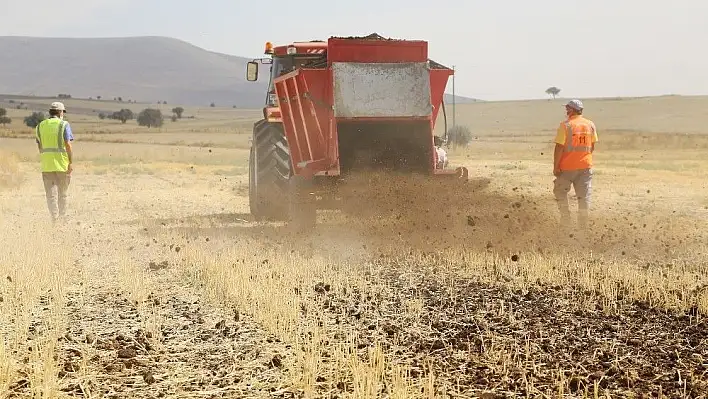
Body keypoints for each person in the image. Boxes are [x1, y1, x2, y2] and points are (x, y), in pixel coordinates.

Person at [553, 99, 598, 229]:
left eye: (567, 108)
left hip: (567, 168)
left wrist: (556, 167)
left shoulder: (566, 125)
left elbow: (559, 148)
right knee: (584, 197)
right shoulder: (590, 124)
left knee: (560, 191)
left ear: (572, 110)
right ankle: (583, 226)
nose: (566, 110)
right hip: (585, 166)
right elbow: (592, 146)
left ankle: (566, 219)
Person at [35, 102, 74, 223]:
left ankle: (54, 219)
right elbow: (68, 144)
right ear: (61, 112)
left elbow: (40, 146)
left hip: (47, 165)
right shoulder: (64, 125)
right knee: (62, 193)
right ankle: (62, 218)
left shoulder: (40, 126)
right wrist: (70, 162)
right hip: (62, 164)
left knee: (50, 195)